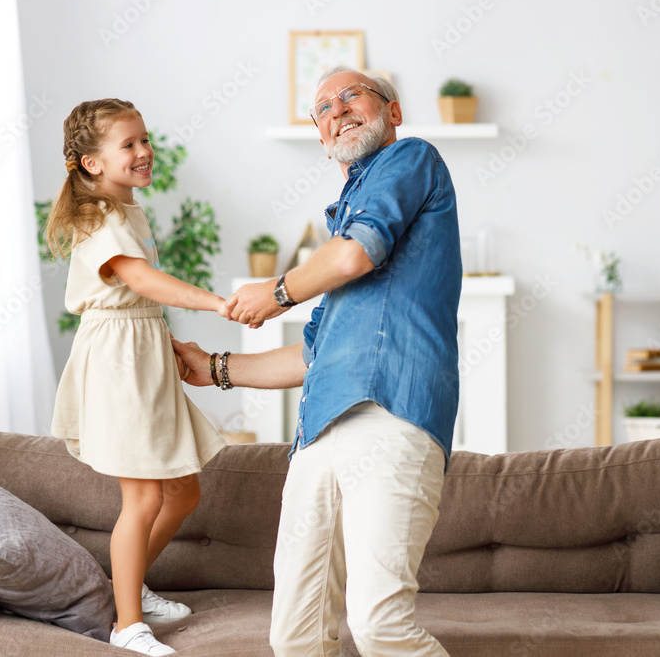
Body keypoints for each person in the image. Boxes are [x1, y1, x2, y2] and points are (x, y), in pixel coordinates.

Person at [172, 67, 461, 656]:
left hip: (390, 415)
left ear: (393, 110)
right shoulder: (336, 237)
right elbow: (312, 356)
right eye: (323, 106)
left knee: (381, 624)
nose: (337, 109)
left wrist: (276, 292)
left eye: (351, 94)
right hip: (316, 436)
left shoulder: (411, 160)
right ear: (321, 135)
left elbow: (356, 254)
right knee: (296, 636)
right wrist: (215, 368)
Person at [46, 98, 228, 656]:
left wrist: (168, 343)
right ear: (92, 164)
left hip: (140, 350)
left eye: (144, 139)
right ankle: (126, 626)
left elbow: (131, 300)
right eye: (128, 144)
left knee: (183, 488)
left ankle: (125, 588)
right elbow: (141, 282)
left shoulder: (128, 211)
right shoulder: (99, 218)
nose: (145, 151)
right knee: (144, 496)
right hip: (118, 362)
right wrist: (218, 304)